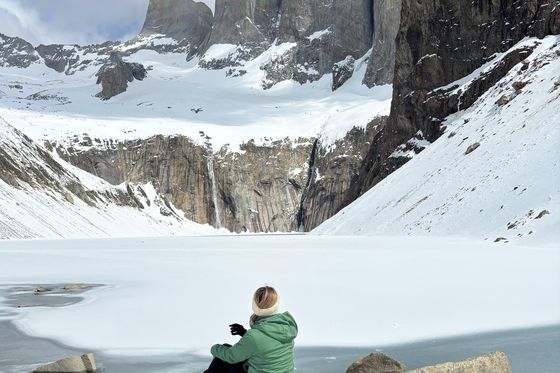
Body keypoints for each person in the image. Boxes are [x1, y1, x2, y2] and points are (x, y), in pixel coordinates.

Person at [204, 286, 298, 373]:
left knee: (223, 354)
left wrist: (214, 348)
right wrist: (244, 333)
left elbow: (231, 356)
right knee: (227, 350)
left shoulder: (254, 336)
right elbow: (267, 345)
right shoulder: (286, 327)